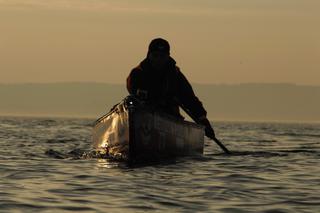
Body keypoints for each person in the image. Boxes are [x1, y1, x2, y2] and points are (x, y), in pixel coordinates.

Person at [126, 38, 216, 139]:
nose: (158, 60)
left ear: (168, 57)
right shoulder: (138, 73)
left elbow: (190, 99)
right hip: (144, 112)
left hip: (170, 116)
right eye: (155, 56)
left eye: (162, 56)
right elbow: (132, 88)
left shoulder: (175, 76)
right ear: (149, 55)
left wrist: (203, 120)